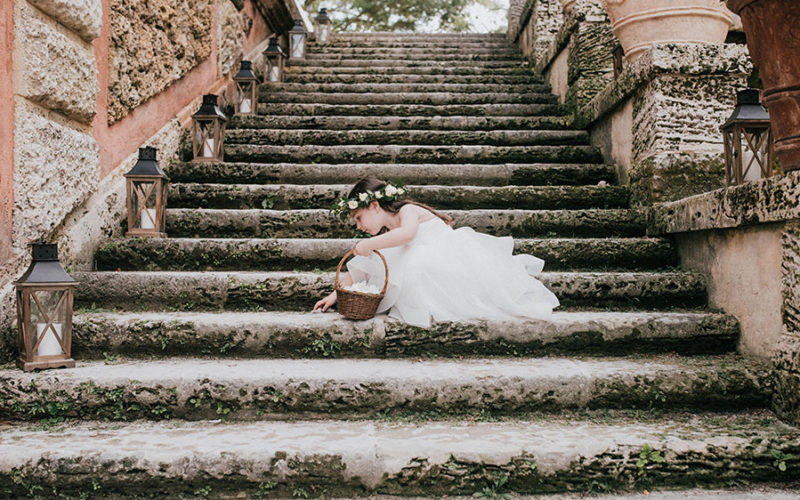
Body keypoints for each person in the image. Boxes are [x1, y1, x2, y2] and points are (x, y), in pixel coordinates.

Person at [312, 177, 560, 327]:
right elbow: (363, 266)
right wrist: (337, 294)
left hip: (447, 258)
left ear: (374, 206)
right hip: (421, 258)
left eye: (358, 218)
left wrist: (371, 244)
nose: (359, 226)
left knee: (414, 263)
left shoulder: (407, 211)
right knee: (382, 258)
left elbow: (408, 234)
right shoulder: (386, 233)